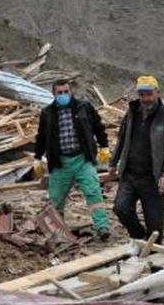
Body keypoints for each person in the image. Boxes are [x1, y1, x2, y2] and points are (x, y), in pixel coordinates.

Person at [34, 79, 112, 240]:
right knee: (56, 199)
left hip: (82, 159)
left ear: (71, 92)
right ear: (54, 94)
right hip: (60, 162)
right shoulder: (47, 113)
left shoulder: (83, 107)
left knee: (93, 192)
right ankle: (58, 230)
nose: (63, 95)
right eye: (59, 93)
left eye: (66, 92)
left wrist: (104, 146)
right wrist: (37, 157)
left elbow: (98, 126)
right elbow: (41, 137)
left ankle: (102, 226)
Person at [109, 76, 164, 244]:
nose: (145, 99)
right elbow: (122, 139)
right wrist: (113, 162)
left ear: (157, 93)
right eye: (142, 95)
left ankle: (154, 257)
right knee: (121, 208)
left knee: (155, 227)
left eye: (149, 94)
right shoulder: (132, 112)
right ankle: (138, 237)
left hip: (152, 179)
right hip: (130, 174)